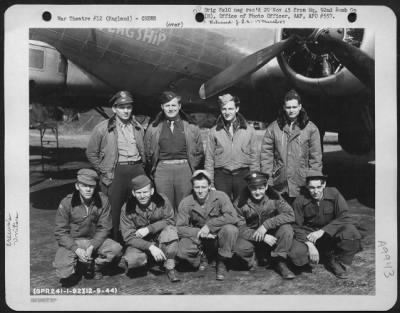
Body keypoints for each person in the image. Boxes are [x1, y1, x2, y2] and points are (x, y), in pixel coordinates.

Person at [86, 90, 146, 241]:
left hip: (136, 169)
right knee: (114, 210)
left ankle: (135, 243)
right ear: (114, 109)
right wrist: (104, 170)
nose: (126, 111)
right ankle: (114, 244)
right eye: (122, 107)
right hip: (116, 171)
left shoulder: (138, 127)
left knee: (137, 208)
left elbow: (145, 150)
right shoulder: (102, 128)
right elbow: (91, 153)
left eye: (129, 107)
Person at [53, 169, 122, 287]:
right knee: (64, 272)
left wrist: (92, 245)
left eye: (91, 186)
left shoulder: (103, 200)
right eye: (84, 186)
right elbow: (60, 232)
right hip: (73, 241)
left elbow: (105, 227)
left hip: (93, 240)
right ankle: (78, 267)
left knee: (116, 249)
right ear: (77, 186)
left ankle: (94, 267)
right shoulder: (66, 203)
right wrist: (76, 249)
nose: (88, 189)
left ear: (95, 187)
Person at [288, 171, 362, 279]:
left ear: (324, 185)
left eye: (318, 187)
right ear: (307, 187)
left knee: (351, 233)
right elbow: (295, 225)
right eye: (312, 188)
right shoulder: (300, 200)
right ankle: (314, 255)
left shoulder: (334, 193)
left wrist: (323, 231)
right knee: (296, 253)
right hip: (310, 233)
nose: (316, 191)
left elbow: (344, 216)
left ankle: (334, 259)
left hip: (330, 231)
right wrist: (309, 244)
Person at [144, 90, 204, 210]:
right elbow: (147, 152)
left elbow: (199, 151)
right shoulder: (153, 128)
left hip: (184, 169)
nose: (170, 109)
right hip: (162, 170)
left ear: (179, 106)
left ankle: (182, 228)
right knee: (165, 204)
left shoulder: (191, 127)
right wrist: (155, 170)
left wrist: (190, 167)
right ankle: (168, 228)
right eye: (167, 105)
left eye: (173, 105)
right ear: (162, 107)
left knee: (184, 204)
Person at [260, 89, 322, 203]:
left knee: (300, 217)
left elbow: (316, 157)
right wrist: (267, 179)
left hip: (301, 182)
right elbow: (266, 155)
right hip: (280, 183)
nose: (291, 110)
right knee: (281, 217)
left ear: (300, 107)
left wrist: (314, 179)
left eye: (294, 107)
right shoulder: (274, 128)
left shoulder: (311, 129)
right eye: (288, 107)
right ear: (284, 107)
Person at [176, 170, 239, 281]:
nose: (200, 191)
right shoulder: (186, 202)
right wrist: (199, 233)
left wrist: (209, 226)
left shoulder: (220, 196)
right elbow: (179, 228)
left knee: (231, 230)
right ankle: (201, 257)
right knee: (182, 251)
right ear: (193, 187)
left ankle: (221, 261)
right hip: (198, 239)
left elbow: (233, 217)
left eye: (204, 187)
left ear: (210, 186)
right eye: (197, 187)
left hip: (217, 236)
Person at [233, 171, 296, 279]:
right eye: (253, 188)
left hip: (272, 236)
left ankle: (279, 261)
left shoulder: (275, 196)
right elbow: (240, 228)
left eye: (261, 188)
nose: (257, 192)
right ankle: (253, 260)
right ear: (248, 187)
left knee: (287, 229)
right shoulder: (239, 202)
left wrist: (266, 225)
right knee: (237, 247)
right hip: (253, 237)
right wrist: (262, 237)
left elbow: (290, 215)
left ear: (266, 187)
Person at [118, 174, 180, 282]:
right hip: (142, 243)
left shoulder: (162, 200)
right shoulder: (127, 208)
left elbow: (171, 220)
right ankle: (149, 261)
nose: (142, 196)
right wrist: (150, 247)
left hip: (160, 238)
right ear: (133, 193)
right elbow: (128, 237)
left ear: (151, 191)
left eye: (145, 192)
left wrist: (149, 229)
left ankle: (169, 266)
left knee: (170, 231)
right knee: (133, 259)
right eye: (138, 193)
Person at [205, 93, 259, 201]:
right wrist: (209, 182)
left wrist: (254, 179)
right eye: (224, 109)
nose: (227, 112)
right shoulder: (214, 132)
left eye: (230, 108)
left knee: (242, 207)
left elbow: (254, 158)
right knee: (222, 207)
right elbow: (209, 159)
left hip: (242, 175)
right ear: (220, 110)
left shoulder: (249, 131)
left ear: (237, 109)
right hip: (222, 176)